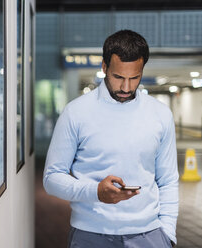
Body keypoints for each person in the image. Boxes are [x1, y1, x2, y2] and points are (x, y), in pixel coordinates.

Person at [43, 30, 178, 248]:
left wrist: (168, 234)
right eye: (118, 77)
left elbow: (168, 180)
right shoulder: (75, 112)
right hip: (90, 235)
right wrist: (95, 192)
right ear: (104, 67)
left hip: (149, 235)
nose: (126, 87)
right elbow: (51, 178)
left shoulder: (161, 114)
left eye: (134, 78)